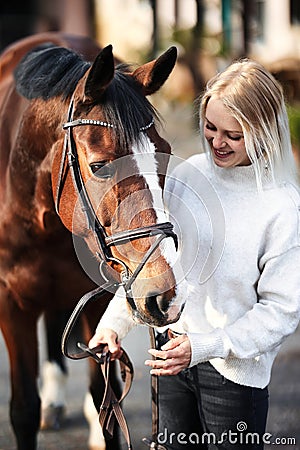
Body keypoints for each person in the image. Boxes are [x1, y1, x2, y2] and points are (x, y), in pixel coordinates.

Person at [88, 59, 300, 449]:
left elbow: (282, 311)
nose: (217, 142)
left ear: (265, 131)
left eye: (234, 135)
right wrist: (113, 324)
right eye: (211, 127)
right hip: (170, 365)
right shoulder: (188, 175)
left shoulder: (282, 207)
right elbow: (157, 260)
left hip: (234, 381)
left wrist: (205, 346)